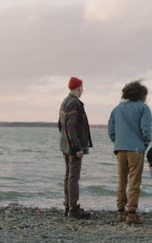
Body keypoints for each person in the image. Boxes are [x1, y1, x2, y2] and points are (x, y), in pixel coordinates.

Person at [108, 80, 152, 224]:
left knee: (121, 180)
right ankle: (131, 213)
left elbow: (111, 130)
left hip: (120, 148)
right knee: (134, 182)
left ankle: (120, 211)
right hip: (136, 148)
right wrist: (144, 144)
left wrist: (118, 141)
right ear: (141, 95)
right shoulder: (143, 108)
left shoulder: (117, 109)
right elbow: (146, 130)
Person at [58, 77, 93, 219]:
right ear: (78, 87)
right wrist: (77, 147)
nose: (83, 90)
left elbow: (60, 125)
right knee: (73, 177)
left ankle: (68, 205)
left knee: (68, 176)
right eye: (82, 87)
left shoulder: (65, 101)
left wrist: (67, 141)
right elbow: (71, 127)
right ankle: (73, 209)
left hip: (65, 145)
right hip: (72, 148)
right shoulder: (74, 103)